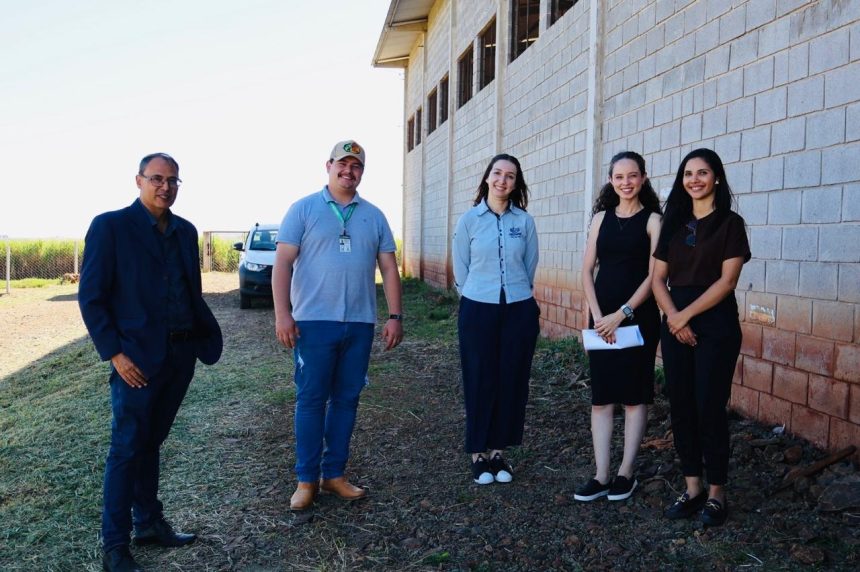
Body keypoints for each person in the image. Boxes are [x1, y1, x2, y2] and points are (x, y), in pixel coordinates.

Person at [78, 153, 223, 572]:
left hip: (180, 357)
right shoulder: (111, 227)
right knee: (126, 448)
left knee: (150, 444)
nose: (165, 187)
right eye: (157, 178)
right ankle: (115, 546)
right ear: (139, 180)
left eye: (173, 180)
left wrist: (195, 342)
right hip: (136, 361)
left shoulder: (185, 231)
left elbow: (190, 292)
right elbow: (92, 298)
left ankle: (148, 523)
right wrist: (116, 354)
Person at [273, 140, 403, 511]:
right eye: (342, 164)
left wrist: (395, 316)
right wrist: (283, 314)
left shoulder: (374, 215)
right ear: (328, 166)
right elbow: (283, 263)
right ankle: (306, 480)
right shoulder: (303, 209)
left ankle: (334, 475)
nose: (349, 171)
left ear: (362, 171)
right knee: (311, 400)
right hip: (313, 323)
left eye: (356, 166)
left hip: (359, 324)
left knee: (346, 400)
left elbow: (389, 268)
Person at [652, 148, 750, 527]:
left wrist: (684, 316)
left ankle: (717, 493)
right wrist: (674, 320)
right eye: (688, 174)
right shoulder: (673, 223)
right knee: (681, 405)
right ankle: (693, 487)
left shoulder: (730, 224)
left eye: (702, 173)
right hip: (675, 324)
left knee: (709, 405)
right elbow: (657, 280)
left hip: (716, 325)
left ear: (717, 178)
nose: (694, 180)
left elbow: (727, 282)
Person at [574, 151, 662, 502]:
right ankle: (601, 475)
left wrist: (621, 314)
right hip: (601, 320)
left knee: (633, 397)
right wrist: (598, 317)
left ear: (643, 178)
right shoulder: (601, 219)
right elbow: (586, 271)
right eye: (619, 177)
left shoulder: (654, 221)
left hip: (638, 319)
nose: (626, 182)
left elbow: (655, 276)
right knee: (602, 398)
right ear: (611, 180)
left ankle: (626, 473)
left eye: (633, 176)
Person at [452, 153, 540, 485]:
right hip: (478, 308)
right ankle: (478, 453)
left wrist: (515, 294)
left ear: (516, 183)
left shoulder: (524, 222)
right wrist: (476, 295)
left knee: (512, 378)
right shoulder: (469, 220)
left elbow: (529, 266)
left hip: (518, 308)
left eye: (510, 176)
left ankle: (498, 451)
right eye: (497, 173)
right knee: (479, 377)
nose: (503, 180)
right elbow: (461, 268)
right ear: (487, 177)